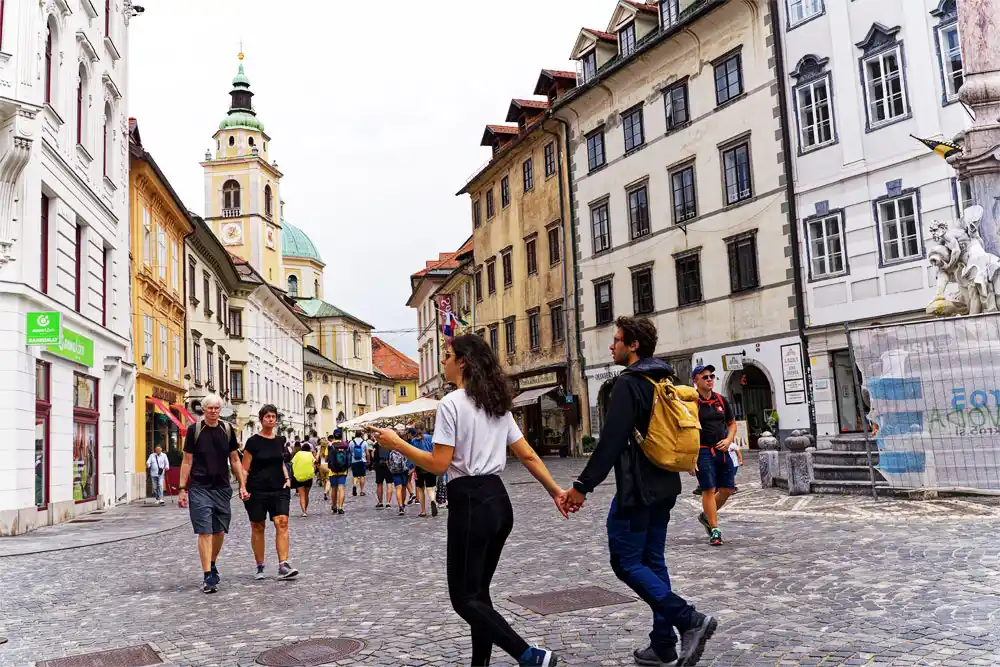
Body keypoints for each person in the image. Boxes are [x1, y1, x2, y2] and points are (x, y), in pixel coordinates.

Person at [369, 334, 565, 667]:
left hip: (471, 501)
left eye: (447, 355)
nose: (443, 360)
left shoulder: (452, 404)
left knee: (463, 598)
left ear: (463, 361)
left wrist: (397, 443)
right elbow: (528, 455)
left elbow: (438, 464)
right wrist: (555, 491)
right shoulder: (496, 402)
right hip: (499, 502)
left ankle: (529, 656)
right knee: (478, 593)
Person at [563, 317, 717, 666]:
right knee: (652, 561)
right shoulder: (664, 378)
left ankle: (690, 620)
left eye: (616, 340)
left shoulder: (629, 384)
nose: (611, 346)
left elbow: (612, 441)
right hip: (666, 483)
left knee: (626, 561)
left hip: (637, 488)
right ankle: (663, 645)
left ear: (632, 346)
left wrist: (582, 487)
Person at [178, 394, 248, 594]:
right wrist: (182, 488)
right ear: (204, 409)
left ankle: (213, 561)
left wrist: (242, 485)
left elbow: (235, 460)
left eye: (217, 408)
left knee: (219, 531)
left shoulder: (227, 430)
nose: (213, 411)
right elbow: (187, 460)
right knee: (205, 531)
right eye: (210, 408)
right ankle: (208, 574)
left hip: (222, 488)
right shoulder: (194, 431)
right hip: (199, 487)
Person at [241, 404, 298, 580]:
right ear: (261, 420)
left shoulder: (279, 441)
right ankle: (260, 566)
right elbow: (244, 468)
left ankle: (283, 565)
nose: (271, 419)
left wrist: (287, 478)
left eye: (273, 417)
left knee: (282, 522)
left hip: (278, 487)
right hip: (256, 489)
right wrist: (242, 487)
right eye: (267, 417)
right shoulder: (253, 442)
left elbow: (280, 462)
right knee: (258, 526)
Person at [691, 364, 737, 547]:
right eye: (705, 377)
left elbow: (732, 423)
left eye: (711, 376)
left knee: (727, 489)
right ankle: (715, 529)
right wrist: (690, 459)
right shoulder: (692, 403)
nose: (710, 379)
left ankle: (706, 516)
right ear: (696, 381)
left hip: (722, 450)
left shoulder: (721, 400)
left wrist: (729, 440)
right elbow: (686, 432)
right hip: (702, 450)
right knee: (708, 489)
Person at [410, 421, 439, 517]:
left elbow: (413, 456)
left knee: (420, 489)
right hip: (430, 465)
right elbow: (435, 452)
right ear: (424, 428)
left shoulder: (414, 441)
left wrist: (414, 469)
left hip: (419, 466)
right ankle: (433, 500)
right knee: (431, 488)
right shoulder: (430, 438)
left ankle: (423, 511)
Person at [291, 442, 315, 517]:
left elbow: (292, 463)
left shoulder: (298, 454)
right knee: (306, 495)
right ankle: (306, 509)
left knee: (302, 495)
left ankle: (304, 511)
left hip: (299, 476)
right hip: (308, 477)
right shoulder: (310, 454)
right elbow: (315, 463)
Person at [329, 429, 350, 514]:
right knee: (341, 488)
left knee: (334, 489)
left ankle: (334, 506)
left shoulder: (331, 446)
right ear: (341, 435)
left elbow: (327, 458)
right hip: (343, 470)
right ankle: (340, 507)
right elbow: (349, 457)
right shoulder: (345, 445)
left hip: (333, 471)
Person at [372, 431, 394, 509]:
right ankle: (388, 502)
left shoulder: (376, 445)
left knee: (379, 484)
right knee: (389, 483)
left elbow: (373, 456)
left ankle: (380, 502)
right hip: (389, 465)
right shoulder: (389, 444)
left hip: (379, 465)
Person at [348, 430, 369, 497]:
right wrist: (368, 460)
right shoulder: (364, 442)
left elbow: (350, 452)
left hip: (354, 461)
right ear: (361, 435)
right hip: (362, 460)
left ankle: (354, 485)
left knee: (355, 476)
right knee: (362, 476)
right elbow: (367, 453)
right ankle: (362, 491)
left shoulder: (351, 442)